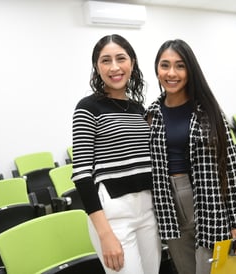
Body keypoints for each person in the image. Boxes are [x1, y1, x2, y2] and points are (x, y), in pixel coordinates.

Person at [146, 39, 236, 274]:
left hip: (207, 200)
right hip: (167, 203)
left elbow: (231, 169)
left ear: (190, 70)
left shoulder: (208, 111)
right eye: (165, 65)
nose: (171, 73)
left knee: (213, 270)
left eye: (180, 66)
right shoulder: (151, 114)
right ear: (157, 70)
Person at [71, 34, 161, 274]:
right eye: (105, 60)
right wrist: (105, 234)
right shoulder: (87, 108)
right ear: (97, 67)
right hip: (114, 216)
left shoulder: (138, 109)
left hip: (148, 210)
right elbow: (81, 174)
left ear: (131, 62)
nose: (114, 67)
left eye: (120, 58)